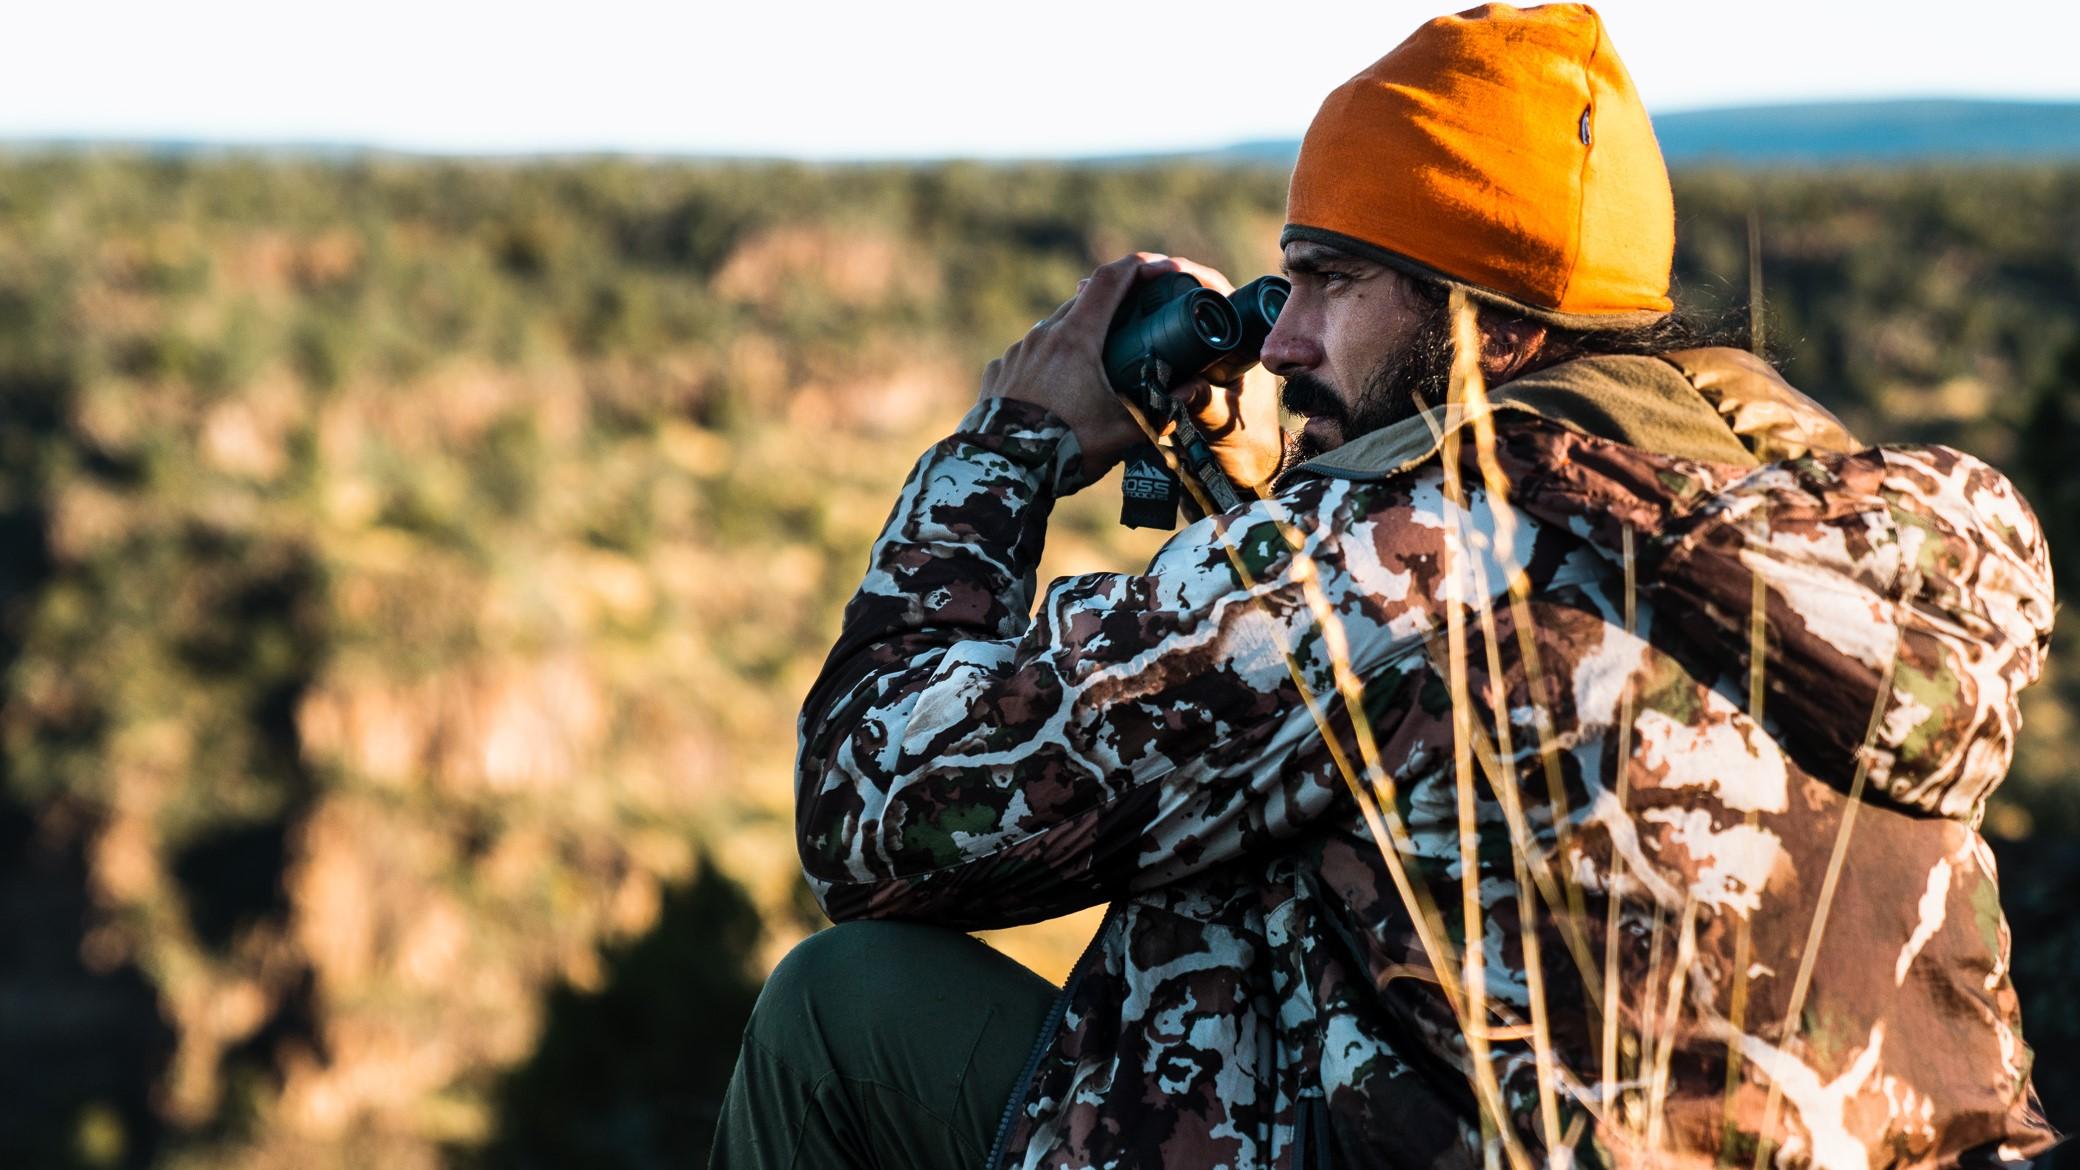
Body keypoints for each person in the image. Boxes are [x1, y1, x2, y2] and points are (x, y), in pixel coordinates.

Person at [711, 5, 2062, 1168]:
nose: (1285, 339)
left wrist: (1012, 442)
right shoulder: (1857, 540)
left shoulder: (1399, 563)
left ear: (1487, 316)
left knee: (836, 1010)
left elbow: (869, 810)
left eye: (1332, 282)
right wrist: (1277, 498)